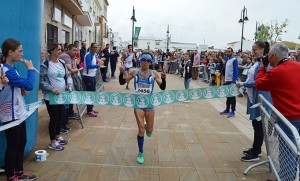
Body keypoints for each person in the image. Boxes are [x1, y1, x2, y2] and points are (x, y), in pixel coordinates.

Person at [255, 43, 300, 179]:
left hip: (288, 118)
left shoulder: (276, 72)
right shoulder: (298, 66)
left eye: (269, 57)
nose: (268, 60)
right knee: (296, 150)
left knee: (287, 152)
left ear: (274, 56)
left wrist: (262, 68)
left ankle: (286, 177)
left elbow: (259, 84)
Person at [0, 38, 38, 181]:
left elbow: (17, 86)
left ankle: (19, 172)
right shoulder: (5, 70)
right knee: (13, 145)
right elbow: (29, 85)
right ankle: (10, 176)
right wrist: (30, 69)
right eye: (20, 51)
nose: (22, 54)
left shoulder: (12, 69)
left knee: (22, 141)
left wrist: (20, 90)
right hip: (10, 114)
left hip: (18, 111)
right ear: (10, 52)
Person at [119, 53, 166, 164]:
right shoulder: (135, 72)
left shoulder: (154, 73)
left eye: (148, 60)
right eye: (143, 60)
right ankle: (141, 152)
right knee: (141, 130)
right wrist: (122, 74)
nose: (145, 62)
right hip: (138, 104)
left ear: (151, 62)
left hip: (149, 104)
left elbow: (162, 87)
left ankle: (147, 127)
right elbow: (122, 82)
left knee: (149, 131)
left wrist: (163, 79)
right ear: (140, 61)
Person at [236, 41, 272, 162]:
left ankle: (256, 152)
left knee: (258, 126)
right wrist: (243, 88)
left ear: (262, 49)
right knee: (256, 125)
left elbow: (259, 82)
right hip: (253, 97)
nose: (253, 52)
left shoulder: (266, 64)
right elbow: (252, 78)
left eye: (255, 49)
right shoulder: (258, 62)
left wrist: (243, 84)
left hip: (260, 98)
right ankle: (256, 148)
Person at [40, 43, 72, 151]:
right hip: (51, 97)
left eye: (61, 49)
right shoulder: (45, 64)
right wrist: (51, 89)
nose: (60, 51)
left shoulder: (62, 63)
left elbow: (68, 76)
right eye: (58, 49)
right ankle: (52, 141)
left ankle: (58, 136)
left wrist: (69, 85)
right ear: (51, 51)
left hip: (62, 96)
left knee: (60, 116)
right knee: (54, 118)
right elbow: (42, 81)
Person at [59, 44, 80, 132]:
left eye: (76, 50)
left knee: (66, 106)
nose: (76, 52)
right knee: (63, 107)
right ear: (68, 50)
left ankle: (64, 123)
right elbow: (70, 71)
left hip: (67, 84)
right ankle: (61, 125)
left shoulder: (70, 57)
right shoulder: (66, 57)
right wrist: (77, 69)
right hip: (62, 87)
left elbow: (72, 69)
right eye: (74, 50)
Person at [82, 43, 104, 117]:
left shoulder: (93, 55)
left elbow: (93, 64)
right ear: (90, 48)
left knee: (93, 93)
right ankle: (89, 111)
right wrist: (97, 65)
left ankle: (91, 108)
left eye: (96, 47)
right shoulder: (89, 55)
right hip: (88, 76)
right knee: (90, 94)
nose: (95, 49)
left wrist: (99, 63)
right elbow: (88, 65)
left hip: (92, 76)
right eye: (94, 47)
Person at [219, 47, 238, 118]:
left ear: (232, 52)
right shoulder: (227, 59)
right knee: (228, 96)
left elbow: (236, 71)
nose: (227, 53)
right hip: (227, 80)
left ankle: (233, 111)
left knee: (232, 96)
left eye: (229, 52)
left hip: (231, 81)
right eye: (227, 52)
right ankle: (227, 109)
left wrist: (233, 81)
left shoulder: (234, 60)